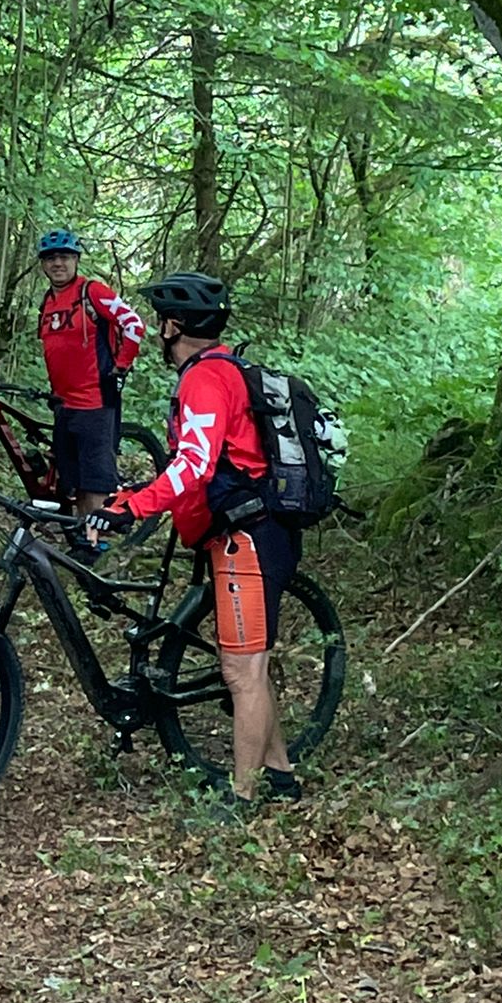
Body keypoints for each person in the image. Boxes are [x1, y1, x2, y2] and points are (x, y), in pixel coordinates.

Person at [85, 272, 304, 813]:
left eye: (161, 322)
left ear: (172, 326)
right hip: (244, 533)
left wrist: (133, 506)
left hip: (247, 539)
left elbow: (194, 466)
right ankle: (281, 775)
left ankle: (241, 796)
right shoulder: (218, 370)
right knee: (250, 666)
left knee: (241, 672)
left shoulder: (206, 379)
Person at [34, 227, 145, 515]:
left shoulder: (92, 292)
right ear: (43, 264)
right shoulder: (47, 301)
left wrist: (121, 366)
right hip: (63, 404)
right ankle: (85, 535)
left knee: (95, 483)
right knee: (75, 483)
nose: (58, 263)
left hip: (94, 403)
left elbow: (134, 325)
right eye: (51, 258)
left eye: (65, 257)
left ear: (76, 260)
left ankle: (98, 538)